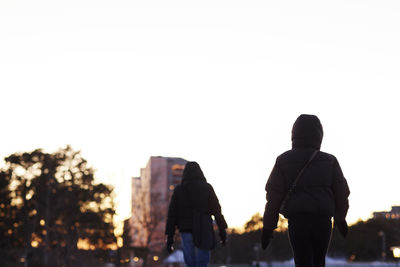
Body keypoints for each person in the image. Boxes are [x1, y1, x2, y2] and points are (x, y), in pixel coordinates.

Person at [261, 114, 350, 267]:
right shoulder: (330, 161)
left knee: (302, 261)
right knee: (318, 261)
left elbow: (274, 196)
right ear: (319, 136)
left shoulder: (283, 160)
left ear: (294, 134)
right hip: (323, 222)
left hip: (298, 221)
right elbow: (342, 193)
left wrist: (268, 227)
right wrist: (340, 218)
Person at [165, 161, 227, 267]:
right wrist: (222, 231)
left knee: (190, 261)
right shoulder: (207, 188)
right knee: (203, 261)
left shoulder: (179, 190)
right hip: (204, 228)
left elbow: (172, 215)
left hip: (186, 229)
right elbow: (217, 211)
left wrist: (170, 237)